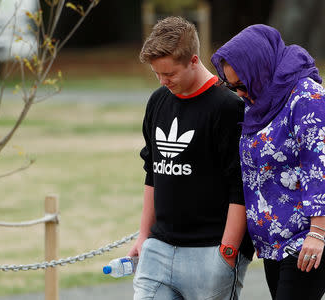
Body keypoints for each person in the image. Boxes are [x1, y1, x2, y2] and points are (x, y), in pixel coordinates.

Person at [211, 24, 325, 300]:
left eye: (242, 85)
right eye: (231, 87)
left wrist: (316, 234)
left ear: (261, 68)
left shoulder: (309, 99)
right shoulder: (259, 102)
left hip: (316, 232)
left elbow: (322, 169)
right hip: (277, 235)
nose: (240, 94)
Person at [128, 16, 254, 300]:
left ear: (194, 61)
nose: (163, 81)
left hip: (211, 252)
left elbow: (241, 185)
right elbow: (153, 173)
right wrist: (143, 237)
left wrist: (228, 252)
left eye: (170, 74)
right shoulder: (158, 101)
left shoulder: (228, 107)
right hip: (158, 250)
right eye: (157, 74)